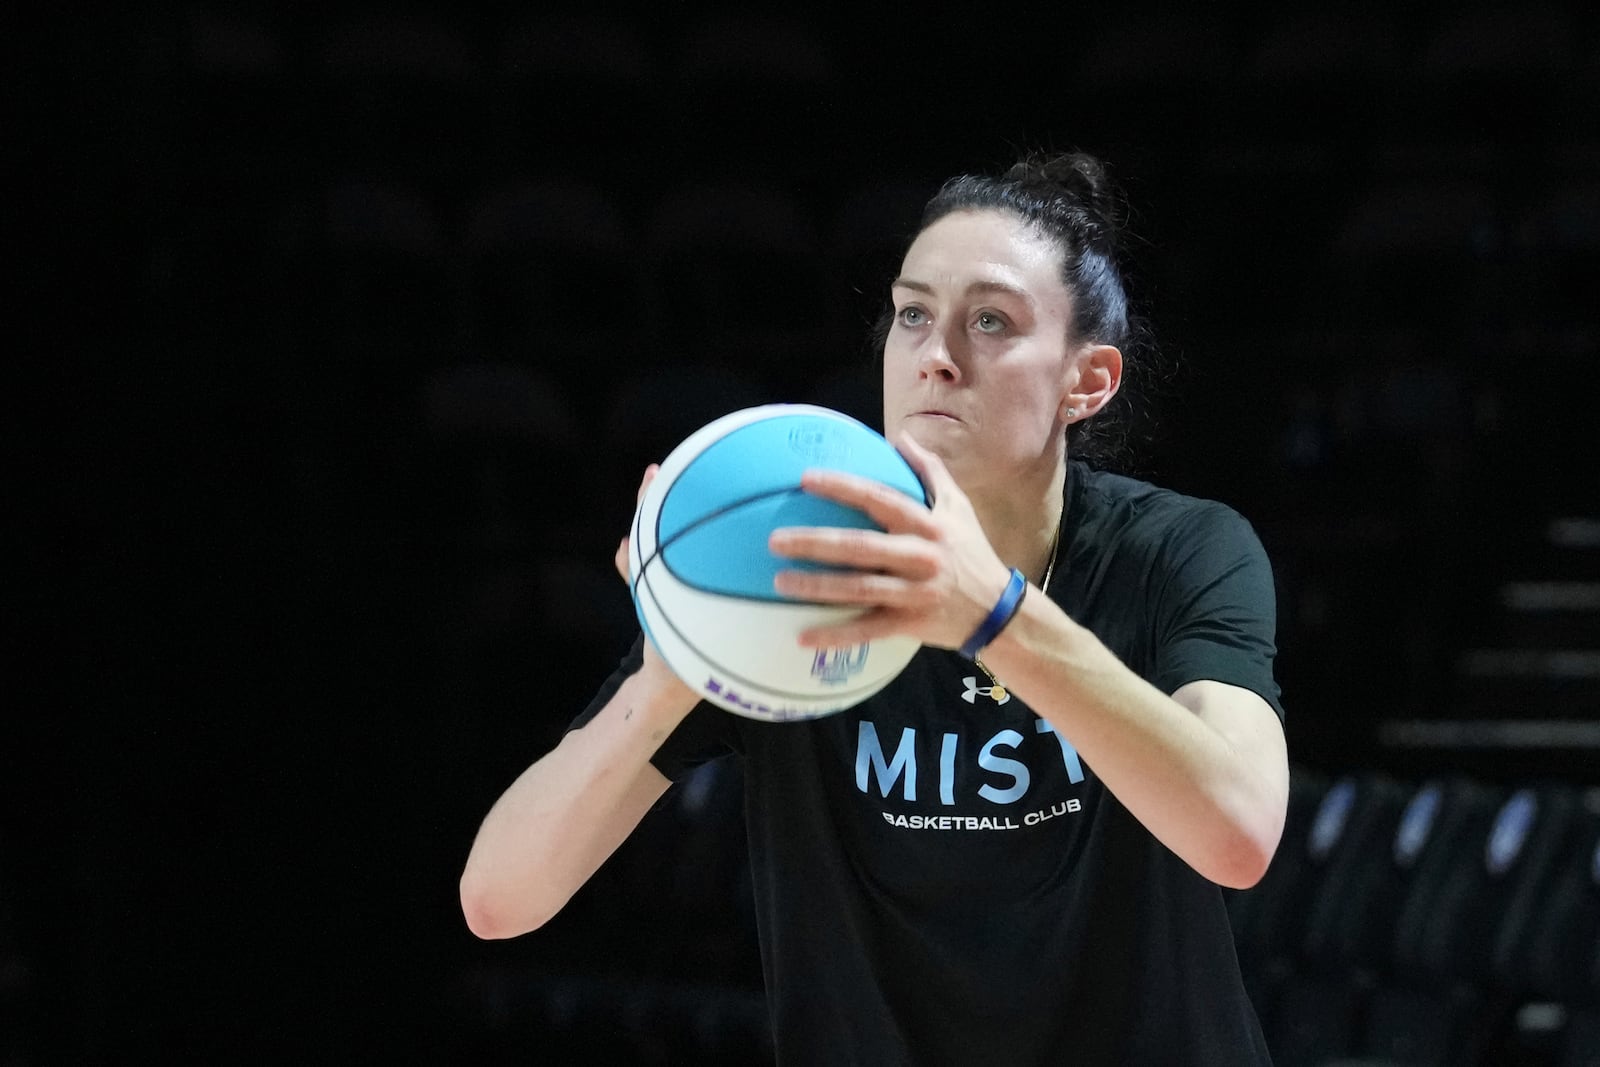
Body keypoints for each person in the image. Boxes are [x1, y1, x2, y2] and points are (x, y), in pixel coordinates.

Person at [460, 150, 1290, 1065]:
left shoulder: (1178, 552)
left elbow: (1239, 832)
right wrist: (671, 664)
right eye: (912, 314)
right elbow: (499, 898)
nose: (935, 356)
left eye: (990, 320)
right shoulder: (791, 562)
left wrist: (995, 617)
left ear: (1085, 381)